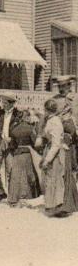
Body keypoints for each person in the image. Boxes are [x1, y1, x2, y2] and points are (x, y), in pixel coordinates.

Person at [36, 99, 72, 217]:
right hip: (50, 148)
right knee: (50, 178)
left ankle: (56, 207)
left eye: (44, 109)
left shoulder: (54, 122)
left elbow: (56, 144)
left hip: (54, 152)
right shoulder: (51, 120)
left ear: (47, 110)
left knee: (54, 178)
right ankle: (52, 205)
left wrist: (47, 159)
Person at [51, 75, 78, 212]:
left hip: (73, 136)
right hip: (59, 136)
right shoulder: (55, 100)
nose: (62, 89)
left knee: (73, 167)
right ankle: (65, 200)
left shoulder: (76, 98)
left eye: (65, 86)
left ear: (69, 86)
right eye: (60, 86)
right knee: (63, 168)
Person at [0, 93, 22, 202]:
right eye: (2, 102)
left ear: (11, 103)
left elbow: (20, 131)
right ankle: (1, 192)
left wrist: (11, 139)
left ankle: (12, 196)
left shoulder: (18, 115)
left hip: (11, 145)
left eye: (5, 103)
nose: (3, 105)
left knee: (10, 171)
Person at [8, 110, 41, 207]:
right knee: (28, 175)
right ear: (26, 117)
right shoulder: (30, 128)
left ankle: (14, 198)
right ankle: (28, 197)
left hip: (17, 154)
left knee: (15, 176)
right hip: (27, 153)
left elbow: (12, 144)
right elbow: (35, 143)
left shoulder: (13, 128)